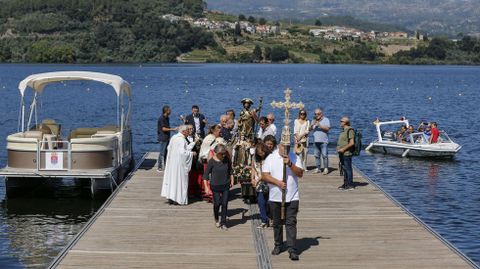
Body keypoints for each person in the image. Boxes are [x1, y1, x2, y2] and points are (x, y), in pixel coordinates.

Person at [261, 136, 304, 261]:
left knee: (291, 222)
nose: (285, 150)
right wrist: (277, 182)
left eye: (288, 147)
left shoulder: (295, 157)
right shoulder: (271, 157)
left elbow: (300, 174)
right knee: (277, 223)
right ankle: (278, 244)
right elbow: (264, 176)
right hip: (275, 196)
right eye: (283, 147)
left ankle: (292, 249)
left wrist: (290, 164)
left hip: (292, 195)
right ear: (279, 146)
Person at [161, 125, 196, 205]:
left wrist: (193, 143)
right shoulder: (181, 140)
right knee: (179, 181)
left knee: (172, 180)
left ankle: (171, 197)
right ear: (183, 132)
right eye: (187, 130)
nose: (189, 132)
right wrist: (192, 154)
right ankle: (178, 199)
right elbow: (182, 153)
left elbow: (169, 148)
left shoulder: (174, 137)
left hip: (172, 163)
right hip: (179, 165)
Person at [203, 144, 234, 230]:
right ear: (216, 153)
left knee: (224, 204)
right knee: (217, 204)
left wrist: (232, 179)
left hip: (225, 185)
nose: (223, 155)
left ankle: (223, 222)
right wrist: (206, 187)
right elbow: (205, 176)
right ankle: (216, 218)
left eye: (224, 153)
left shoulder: (226, 159)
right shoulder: (211, 162)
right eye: (222, 154)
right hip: (215, 186)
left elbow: (230, 170)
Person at [251, 142, 270, 228]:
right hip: (258, 184)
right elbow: (253, 168)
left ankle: (269, 218)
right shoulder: (255, 157)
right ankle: (264, 220)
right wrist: (252, 179)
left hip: (268, 182)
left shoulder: (269, 158)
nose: (261, 155)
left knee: (268, 202)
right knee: (261, 202)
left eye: (262, 153)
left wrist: (258, 179)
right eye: (259, 153)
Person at [337, 117, 355, 191]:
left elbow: (352, 143)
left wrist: (343, 149)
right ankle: (345, 184)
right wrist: (338, 148)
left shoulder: (350, 130)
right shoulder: (343, 131)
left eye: (341, 121)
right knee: (344, 169)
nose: (340, 122)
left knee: (348, 169)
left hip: (347, 153)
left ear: (346, 122)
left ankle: (350, 185)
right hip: (341, 153)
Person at [310, 108, 330, 175]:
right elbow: (310, 129)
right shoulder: (313, 120)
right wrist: (312, 125)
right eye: (315, 114)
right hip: (315, 141)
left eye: (318, 114)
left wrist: (319, 125)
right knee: (316, 156)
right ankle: (318, 168)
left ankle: (325, 168)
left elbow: (327, 129)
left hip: (324, 141)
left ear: (321, 114)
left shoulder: (326, 120)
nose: (316, 115)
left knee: (325, 155)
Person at [157, 105, 177, 171]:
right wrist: (172, 129)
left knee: (166, 152)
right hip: (163, 137)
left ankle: (165, 165)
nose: (171, 111)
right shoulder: (162, 118)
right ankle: (160, 167)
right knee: (162, 152)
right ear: (166, 111)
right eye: (169, 110)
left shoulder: (167, 118)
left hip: (167, 137)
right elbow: (163, 128)